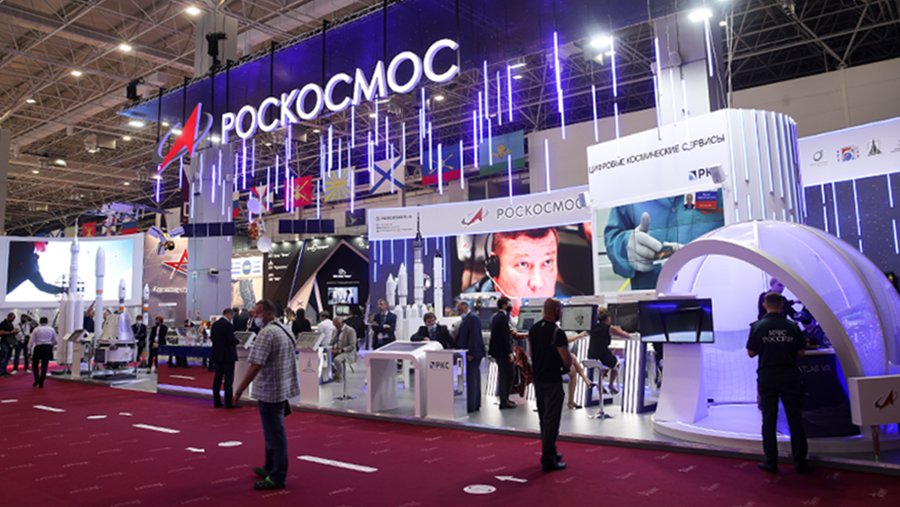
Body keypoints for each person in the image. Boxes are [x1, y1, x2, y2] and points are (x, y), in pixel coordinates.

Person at [234, 300, 300, 490]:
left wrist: (239, 390)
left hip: (270, 391)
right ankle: (269, 466)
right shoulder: (284, 329)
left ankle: (277, 476)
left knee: (275, 435)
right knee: (272, 433)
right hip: (281, 389)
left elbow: (255, 365)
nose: (254, 316)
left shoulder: (267, 333)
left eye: (258, 313)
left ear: (269, 313)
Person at [747, 292, 812, 475]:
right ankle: (800, 463)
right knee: (795, 419)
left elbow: (751, 352)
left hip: (767, 377)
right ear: (782, 305)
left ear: (765, 305)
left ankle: (771, 462)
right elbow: (801, 353)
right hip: (790, 376)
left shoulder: (757, 327)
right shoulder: (792, 326)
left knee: (769, 419)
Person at [604, 194, 724, 290]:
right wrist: (626, 246)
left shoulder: (721, 178)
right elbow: (613, 237)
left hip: (711, 296)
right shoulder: (630, 180)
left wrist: (701, 260)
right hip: (650, 301)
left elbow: (734, 233)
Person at [467, 229, 580, 315]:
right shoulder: (466, 310)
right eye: (523, 264)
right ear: (494, 269)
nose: (537, 283)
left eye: (547, 262)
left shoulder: (577, 304)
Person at [528, 298, 572, 472]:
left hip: (538, 379)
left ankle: (551, 451)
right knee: (552, 420)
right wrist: (565, 368)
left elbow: (531, 354)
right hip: (553, 380)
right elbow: (566, 360)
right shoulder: (557, 333)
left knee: (544, 419)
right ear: (556, 311)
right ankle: (548, 458)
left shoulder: (533, 329)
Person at [489, 297, 525, 409]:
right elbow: (505, 337)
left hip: (498, 352)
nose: (510, 305)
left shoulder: (496, 317)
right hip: (504, 352)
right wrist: (509, 352)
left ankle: (505, 399)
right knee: (509, 375)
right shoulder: (503, 318)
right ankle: (504, 401)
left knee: (504, 375)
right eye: (509, 303)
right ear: (504, 305)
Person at [588, 308, 633, 395]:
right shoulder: (609, 328)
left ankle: (600, 384)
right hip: (602, 355)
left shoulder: (594, 327)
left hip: (591, 354)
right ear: (608, 318)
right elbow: (627, 336)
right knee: (617, 363)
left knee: (606, 364)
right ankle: (611, 384)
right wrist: (620, 330)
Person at [455, 300, 485, 413]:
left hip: (472, 354)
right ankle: (473, 403)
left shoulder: (473, 318)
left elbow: (475, 337)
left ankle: (472, 405)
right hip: (468, 353)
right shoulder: (467, 318)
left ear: (465, 306)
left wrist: (472, 353)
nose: (458, 311)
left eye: (459, 309)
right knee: (473, 378)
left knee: (472, 379)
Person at [210, 308, 239, 408]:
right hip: (228, 356)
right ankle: (228, 402)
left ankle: (216, 401)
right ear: (229, 315)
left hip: (217, 355)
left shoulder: (215, 325)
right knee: (228, 380)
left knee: (217, 379)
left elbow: (212, 338)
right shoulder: (228, 325)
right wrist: (238, 341)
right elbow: (231, 339)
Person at [30, 317, 57, 388]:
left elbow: (31, 341)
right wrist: (51, 344)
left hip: (38, 347)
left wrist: (29, 350)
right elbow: (55, 341)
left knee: (35, 364)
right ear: (47, 322)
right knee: (44, 365)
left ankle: (37, 378)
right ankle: (41, 381)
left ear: (40, 322)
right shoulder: (51, 329)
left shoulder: (36, 329)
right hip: (47, 347)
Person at [0, 312, 18, 376]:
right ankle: (1, 372)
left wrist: (15, 332)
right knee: (4, 357)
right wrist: (11, 332)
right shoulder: (3, 323)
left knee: (8, 357)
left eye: (14, 318)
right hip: (4, 342)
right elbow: (1, 332)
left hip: (10, 342)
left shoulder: (10, 323)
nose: (13, 319)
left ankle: (4, 371)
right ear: (9, 317)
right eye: (12, 318)